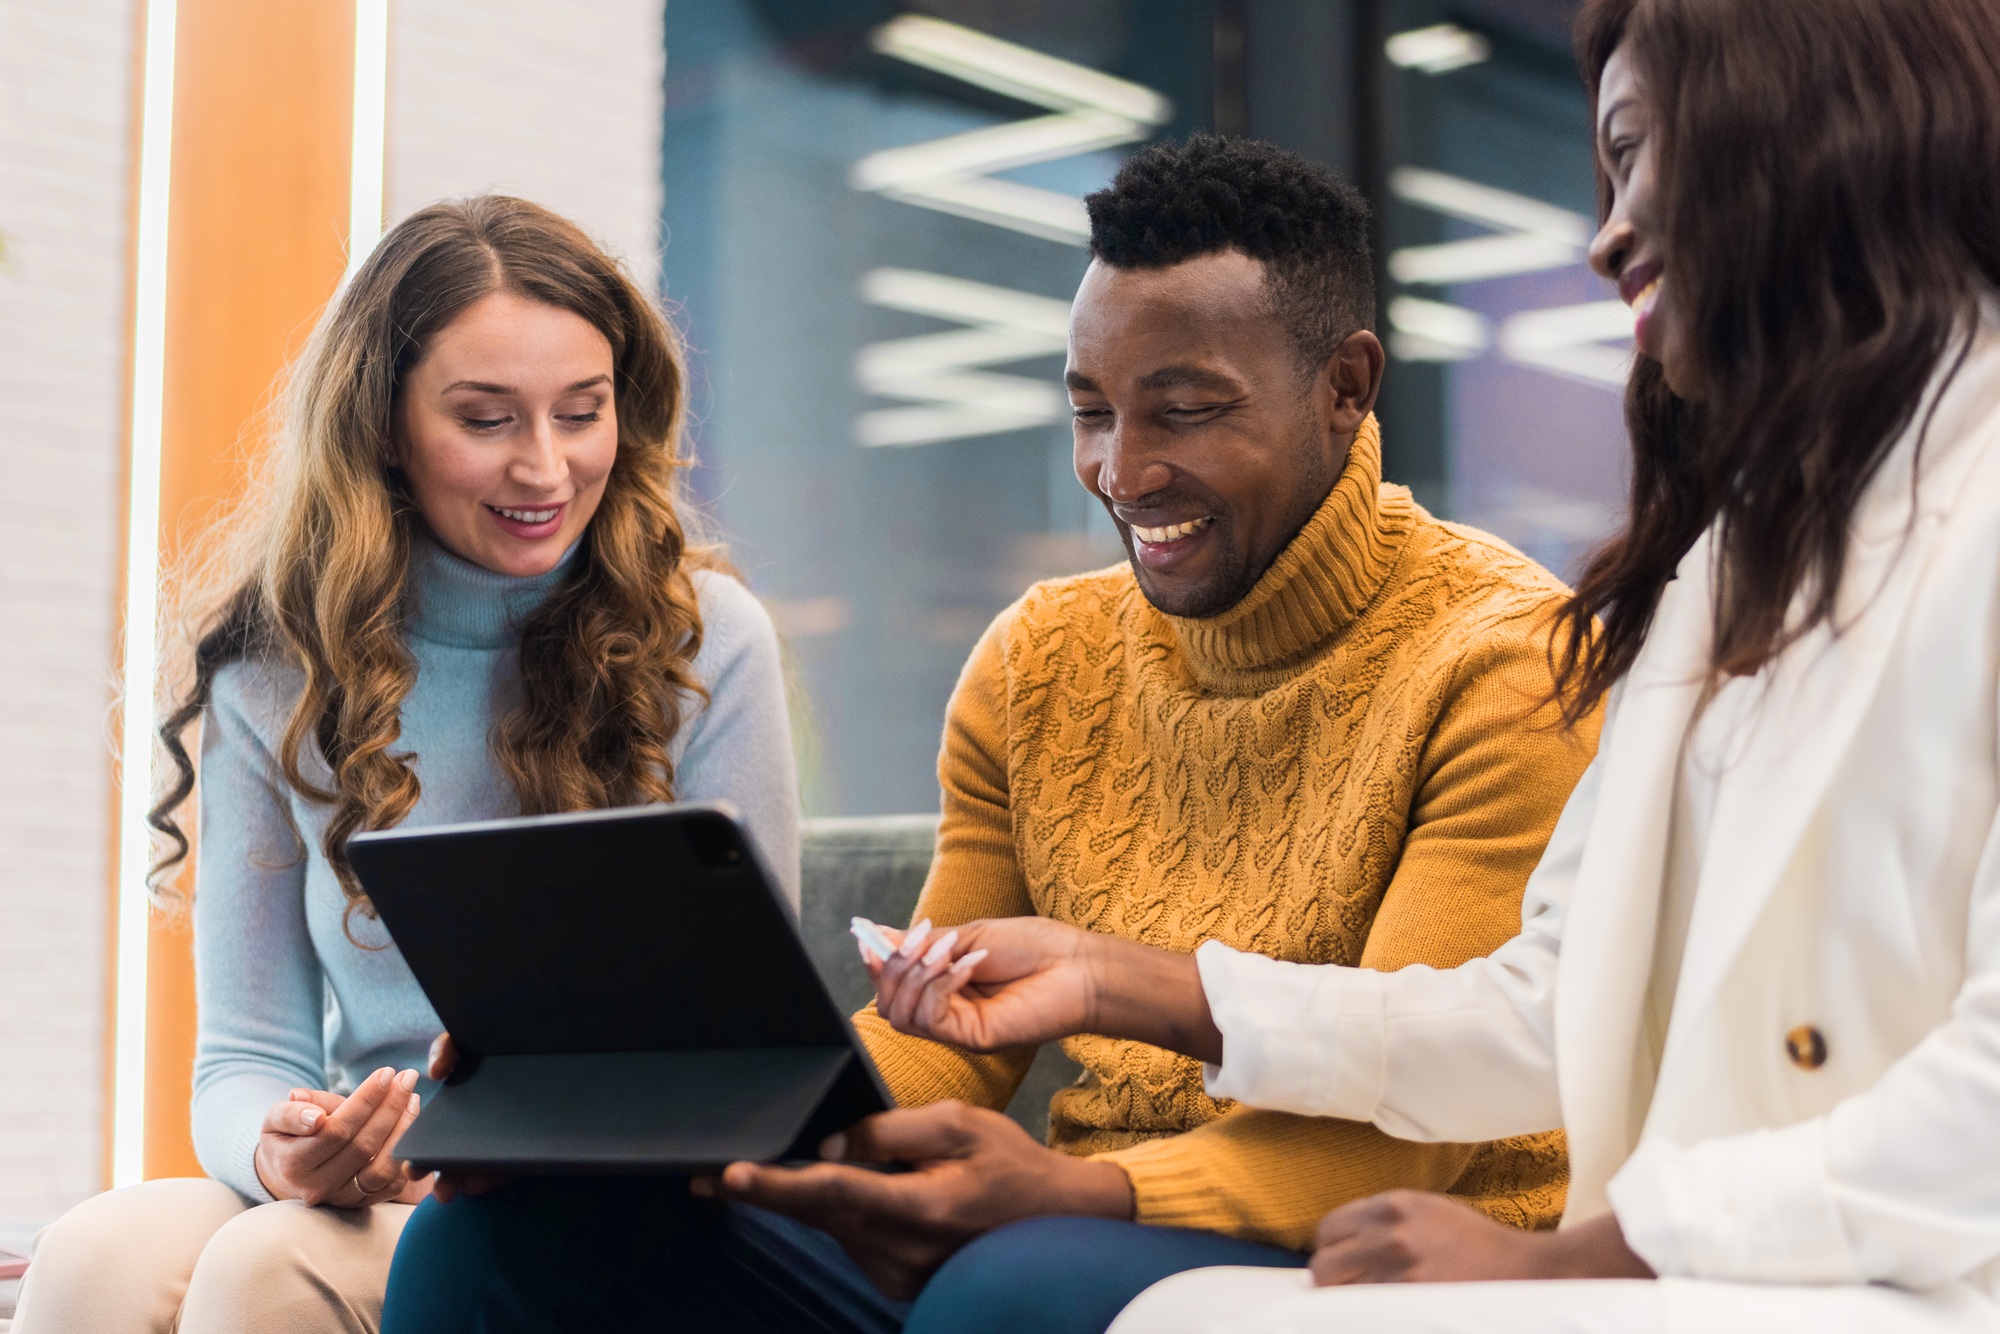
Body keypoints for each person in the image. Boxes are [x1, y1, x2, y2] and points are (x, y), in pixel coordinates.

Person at [868, 0, 2000, 1329]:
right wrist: (1113, 977)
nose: (1608, 231)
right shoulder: (1726, 572)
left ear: (1820, 143)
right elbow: (1547, 1009)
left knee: (1050, 1302)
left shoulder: (1523, 641)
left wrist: (1573, 1262)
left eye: (1638, 154)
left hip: (1872, 1283)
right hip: (1722, 1271)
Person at [379, 137, 1600, 1334]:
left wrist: (1078, 1189)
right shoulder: (1037, 660)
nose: (1122, 469)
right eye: (1091, 410)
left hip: (1362, 1245)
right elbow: (942, 1035)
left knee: (996, 1287)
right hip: (1063, 1229)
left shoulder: (1500, 664)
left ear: (1345, 384)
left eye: (1183, 410)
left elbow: (1404, 1119)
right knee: (498, 1233)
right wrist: (691, 1135)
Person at [11, 195, 798, 1334]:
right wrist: (286, 1150)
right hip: (370, 1179)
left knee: (266, 1271)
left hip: (587, 1197)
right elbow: (244, 1055)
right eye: (486, 420)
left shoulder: (705, 642)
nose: (545, 467)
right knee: (87, 1256)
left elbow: (743, 1042)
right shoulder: (277, 671)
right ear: (382, 424)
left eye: (581, 413)